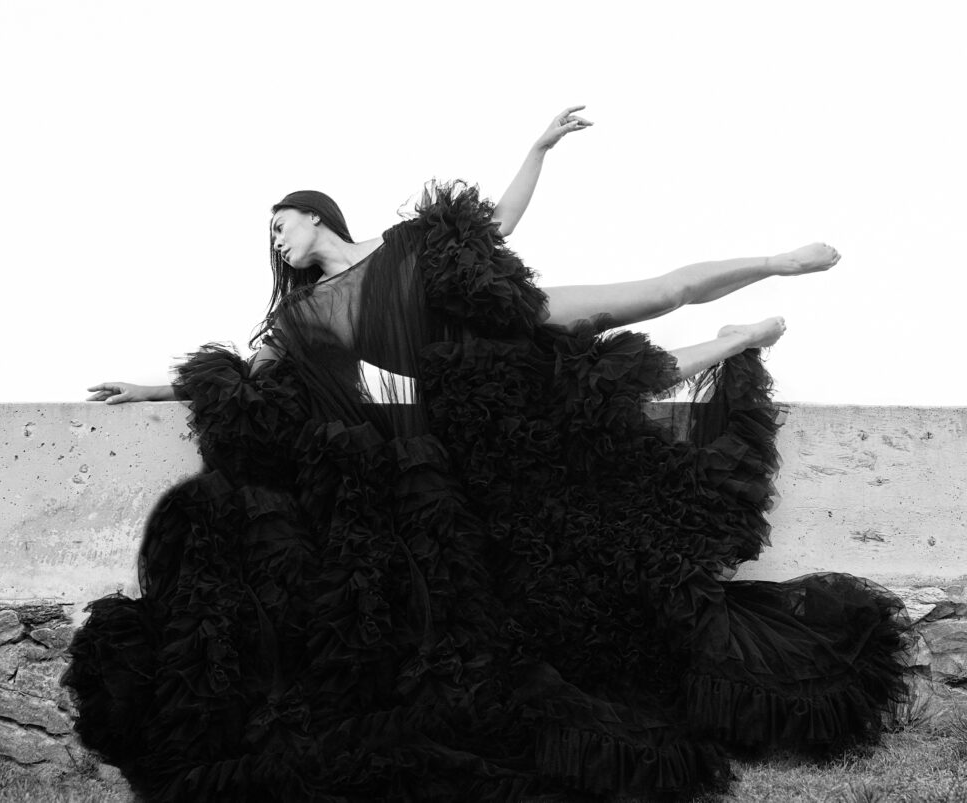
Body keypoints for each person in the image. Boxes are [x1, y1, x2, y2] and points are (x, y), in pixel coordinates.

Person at [65, 108, 908, 802]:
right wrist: (150, 388)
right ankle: (730, 341)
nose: (275, 240)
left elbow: (496, 223)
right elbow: (253, 379)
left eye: (279, 223)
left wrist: (537, 149)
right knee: (593, 390)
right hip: (468, 415)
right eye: (270, 234)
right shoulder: (301, 317)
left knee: (654, 294)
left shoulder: (403, 245)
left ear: (314, 212)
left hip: (495, 334)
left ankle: (775, 263)